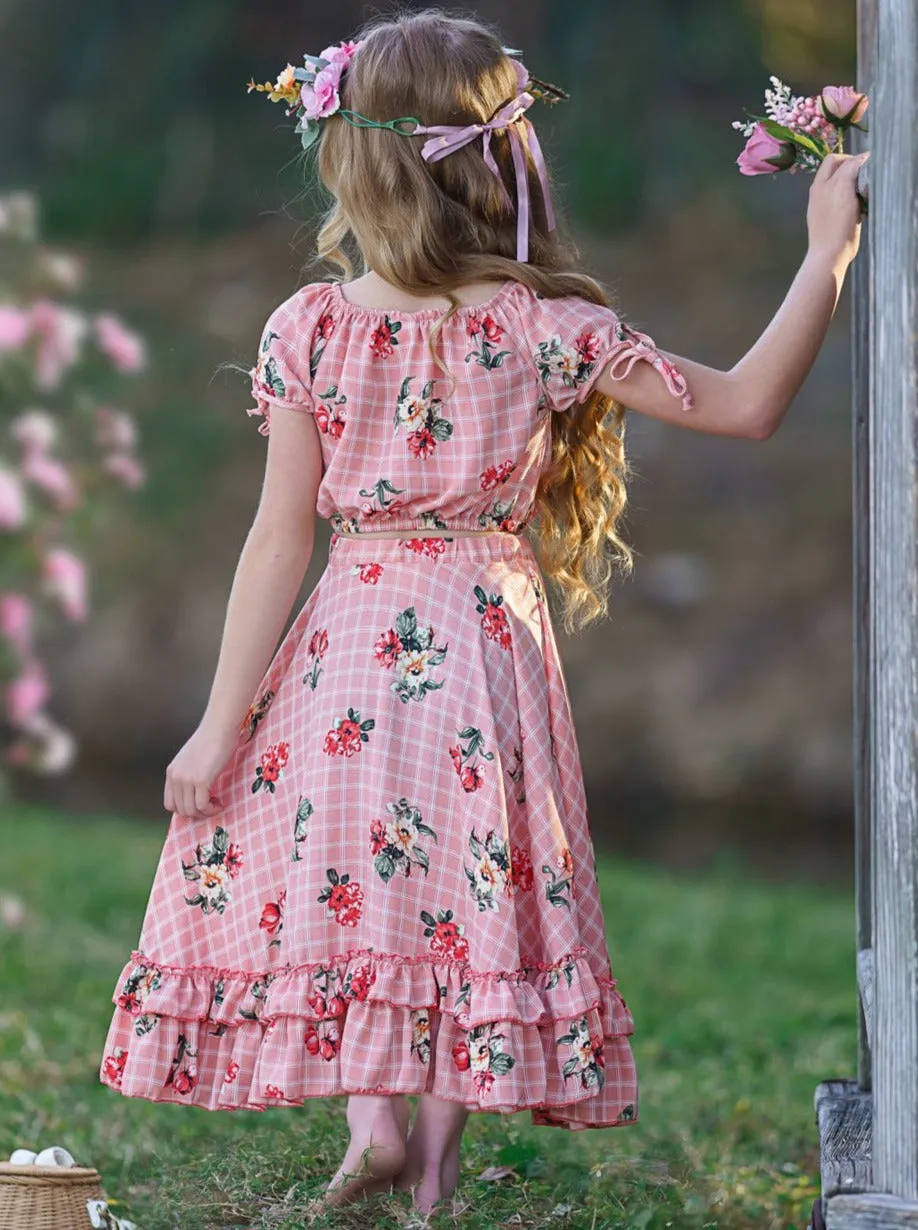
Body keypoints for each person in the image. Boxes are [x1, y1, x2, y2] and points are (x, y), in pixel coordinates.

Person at [98, 7, 868, 1217]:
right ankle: (435, 1151)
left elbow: (276, 538)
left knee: (348, 865)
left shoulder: (309, 328)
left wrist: (218, 722)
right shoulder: (542, 326)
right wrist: (825, 247)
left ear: (348, 159)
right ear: (503, 163)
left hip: (348, 631)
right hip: (483, 639)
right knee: (465, 872)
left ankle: (376, 1124)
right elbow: (745, 406)